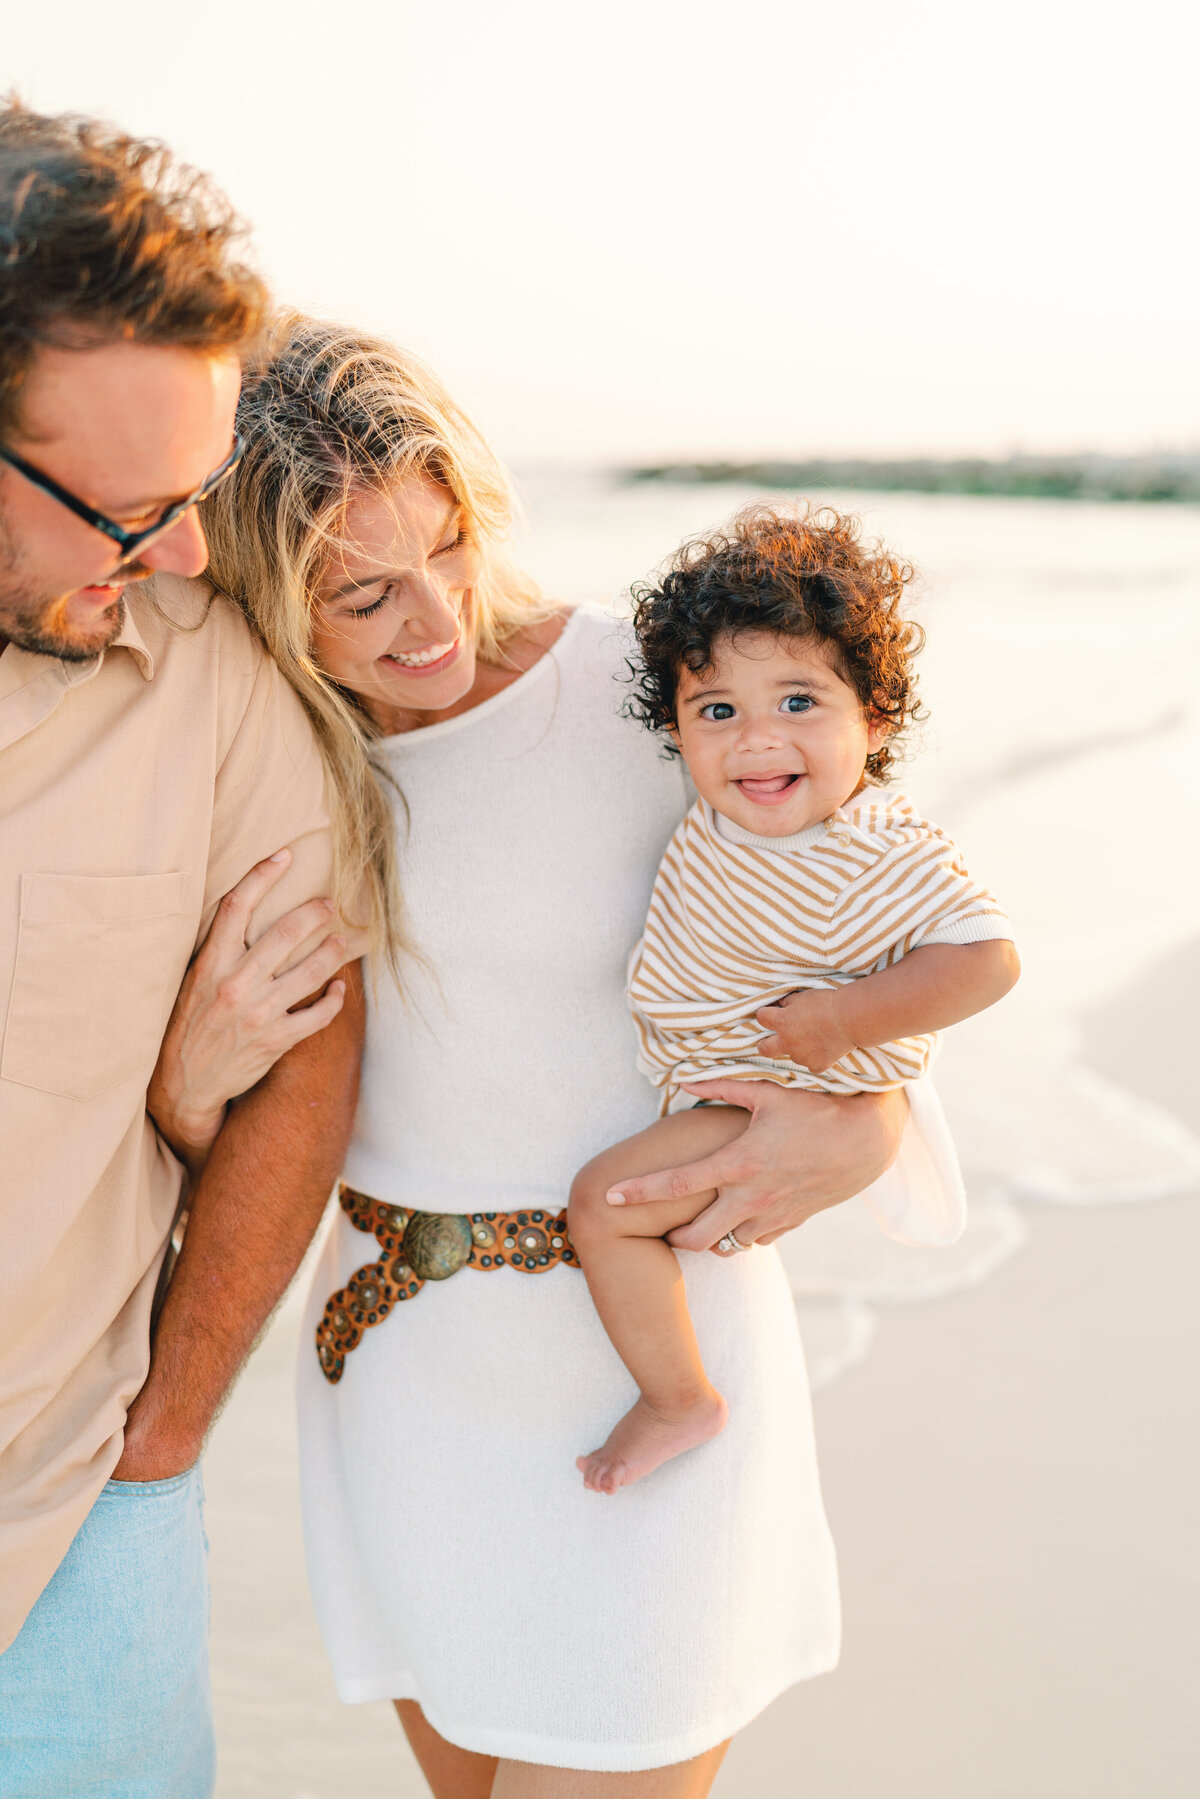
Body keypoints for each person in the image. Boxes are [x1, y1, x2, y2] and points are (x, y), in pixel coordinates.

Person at [152, 314, 969, 1799]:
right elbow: (215, 1123)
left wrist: (876, 1109)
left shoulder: (639, 694)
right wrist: (192, 1080)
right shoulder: (253, 757)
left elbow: (853, 914)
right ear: (267, 597)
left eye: (448, 547)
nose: (433, 619)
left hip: (660, 1366)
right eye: (361, 594)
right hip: (408, 1382)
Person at [0, 106, 364, 1797]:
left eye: (198, 493)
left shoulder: (204, 663)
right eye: (135, 508)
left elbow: (314, 1048)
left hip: (73, 1509)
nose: (192, 551)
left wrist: (173, 1426)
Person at [568, 506, 1019, 1493]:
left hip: (761, 1091)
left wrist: (845, 1020)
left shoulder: (880, 846)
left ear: (878, 716)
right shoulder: (727, 821)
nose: (755, 739)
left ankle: (678, 1395)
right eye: (716, 711)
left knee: (603, 1206)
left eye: (800, 702)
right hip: (719, 1080)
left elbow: (987, 959)